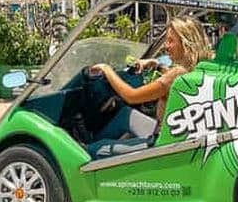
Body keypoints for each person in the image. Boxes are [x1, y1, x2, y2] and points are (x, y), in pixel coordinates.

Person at [87, 16, 211, 157]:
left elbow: (131, 96)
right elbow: (172, 77)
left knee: (96, 149)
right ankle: (93, 142)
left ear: (187, 43)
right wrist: (156, 64)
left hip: (162, 141)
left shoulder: (175, 75)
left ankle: (88, 148)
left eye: (171, 41)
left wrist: (106, 69)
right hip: (176, 131)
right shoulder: (198, 67)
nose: (166, 46)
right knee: (125, 114)